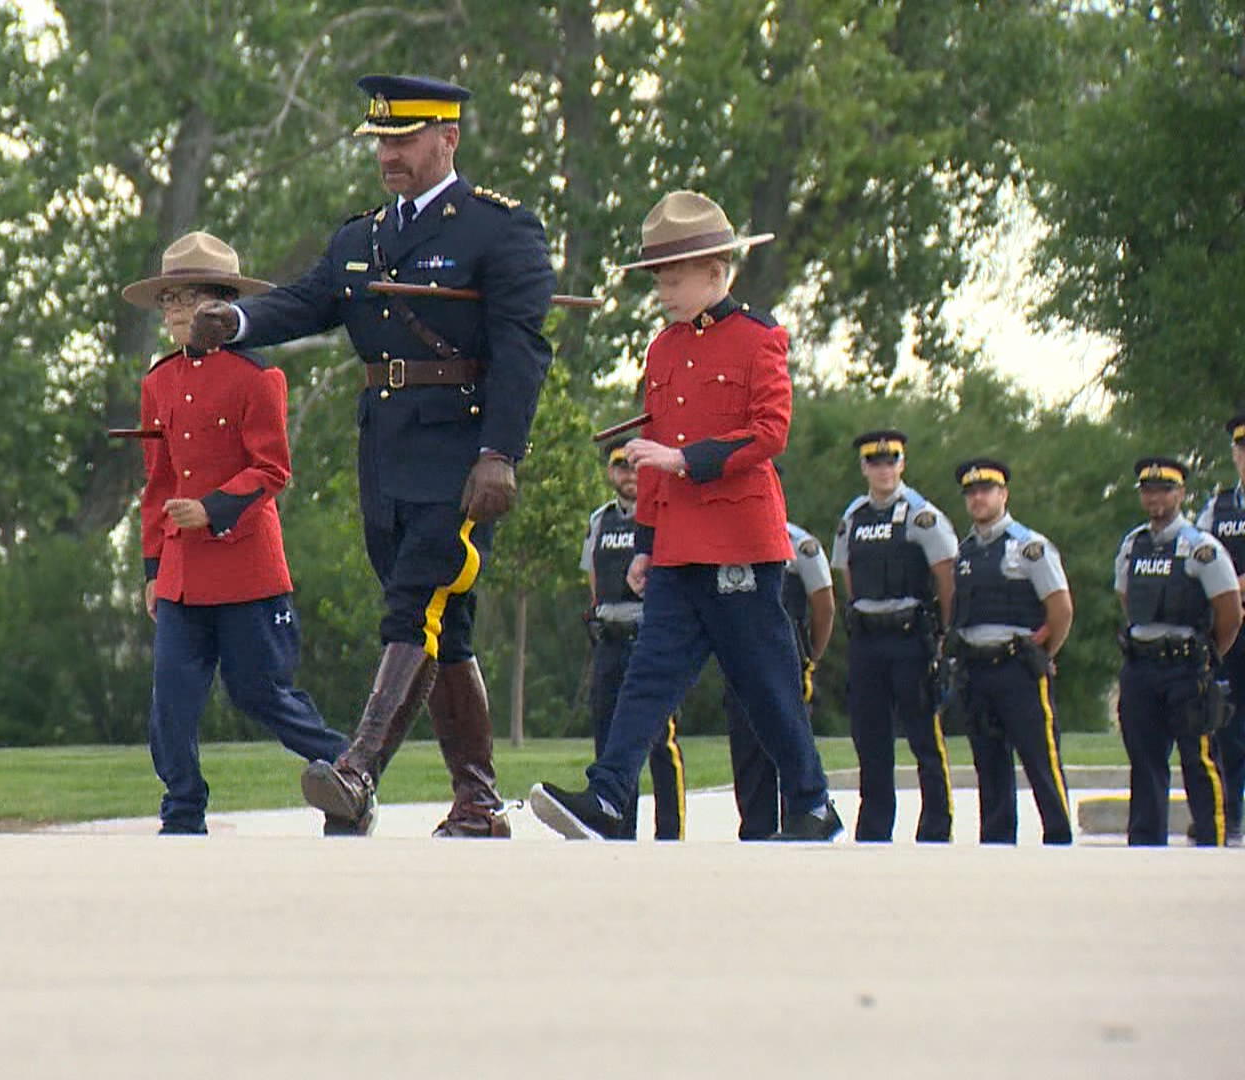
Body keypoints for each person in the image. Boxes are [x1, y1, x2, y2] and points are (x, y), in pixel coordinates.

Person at [188, 74, 555, 838]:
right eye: (381, 141)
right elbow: (309, 298)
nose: (388, 155)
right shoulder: (362, 237)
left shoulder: (498, 231)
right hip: (385, 452)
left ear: (446, 139)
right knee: (442, 626)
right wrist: (239, 319)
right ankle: (479, 802)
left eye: (402, 140)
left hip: (460, 450)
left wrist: (500, 455)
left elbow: (522, 351)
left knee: (412, 604)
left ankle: (356, 771)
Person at [527, 190, 841, 842]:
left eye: (673, 277)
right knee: (647, 679)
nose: (664, 290)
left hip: (739, 545)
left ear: (715, 271)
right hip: (675, 549)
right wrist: (644, 542)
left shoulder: (759, 339)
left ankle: (813, 804)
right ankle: (609, 797)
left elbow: (769, 434)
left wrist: (682, 459)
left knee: (765, 684)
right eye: (659, 279)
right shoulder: (663, 351)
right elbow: (651, 456)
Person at [128, 231, 352, 836]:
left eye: (188, 299)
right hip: (180, 576)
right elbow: (158, 484)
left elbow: (272, 469)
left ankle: (350, 769)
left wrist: (214, 508)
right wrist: (152, 571)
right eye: (168, 299)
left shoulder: (258, 377)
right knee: (170, 705)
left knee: (260, 693)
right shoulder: (158, 383)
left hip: (247, 571)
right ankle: (182, 812)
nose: (173, 311)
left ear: (221, 306)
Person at [833, 430, 958, 843]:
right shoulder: (854, 516)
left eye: (891, 461)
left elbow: (946, 577)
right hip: (869, 640)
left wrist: (943, 635)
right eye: (875, 462)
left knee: (924, 736)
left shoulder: (922, 515)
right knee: (871, 740)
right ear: (864, 467)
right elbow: (849, 574)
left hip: (910, 639)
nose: (883, 469)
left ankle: (936, 827)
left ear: (902, 464)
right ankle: (873, 829)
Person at [942, 459, 1074, 845]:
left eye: (986, 490)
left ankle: (1059, 837)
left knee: (1040, 760)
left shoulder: (1029, 547)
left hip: (1017, 668)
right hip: (977, 670)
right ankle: (997, 842)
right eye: (971, 493)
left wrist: (1041, 653)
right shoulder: (965, 552)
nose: (978, 498)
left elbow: (1061, 610)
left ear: (1004, 494)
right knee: (989, 763)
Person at [1113, 456, 1241, 846]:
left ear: (1180, 493)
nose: (1155, 499)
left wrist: (1204, 657)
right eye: (1148, 491)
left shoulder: (1201, 549)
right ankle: (1146, 842)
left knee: (1198, 759)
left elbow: (1230, 612)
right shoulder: (1133, 544)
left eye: (1164, 490)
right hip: (1141, 666)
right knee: (1145, 759)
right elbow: (1126, 598)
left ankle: (1211, 837)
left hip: (1185, 669)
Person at [580, 439, 686, 840]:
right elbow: (593, 578)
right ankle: (617, 830)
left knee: (661, 742)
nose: (629, 474)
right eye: (620, 466)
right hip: (609, 638)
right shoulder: (600, 521)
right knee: (609, 739)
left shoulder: (662, 517)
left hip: (649, 637)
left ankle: (670, 834)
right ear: (610, 472)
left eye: (635, 466)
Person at [725, 500, 836, 840]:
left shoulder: (799, 544)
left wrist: (809, 656)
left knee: (790, 737)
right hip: (740, 658)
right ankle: (756, 829)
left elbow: (824, 607)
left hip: (786, 659)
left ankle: (802, 821)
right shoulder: (726, 542)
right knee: (747, 748)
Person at [1194, 413, 1245, 842]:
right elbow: (1195, 560)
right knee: (1225, 723)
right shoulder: (1218, 508)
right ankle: (1229, 814)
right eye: (1243, 449)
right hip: (1232, 630)